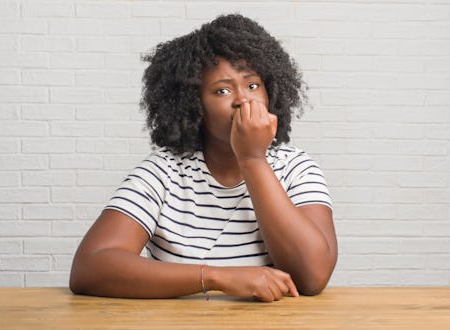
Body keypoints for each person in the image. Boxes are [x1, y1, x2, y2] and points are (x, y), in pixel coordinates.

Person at [69, 14, 337, 302]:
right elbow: (90, 267)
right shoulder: (163, 172)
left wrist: (252, 160)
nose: (243, 100)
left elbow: (312, 276)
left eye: (253, 85)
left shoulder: (296, 168)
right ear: (194, 106)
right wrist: (216, 277)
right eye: (222, 90)